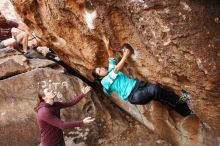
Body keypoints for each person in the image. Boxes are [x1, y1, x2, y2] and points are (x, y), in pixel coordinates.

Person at [92, 35, 192, 116]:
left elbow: (111, 57)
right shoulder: (104, 82)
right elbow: (117, 69)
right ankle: (184, 102)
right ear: (100, 77)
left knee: (162, 96)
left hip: (139, 86)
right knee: (154, 89)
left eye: (100, 68)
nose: (102, 68)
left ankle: (185, 111)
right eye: (99, 71)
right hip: (134, 95)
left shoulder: (109, 70)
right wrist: (125, 56)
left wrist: (107, 45)